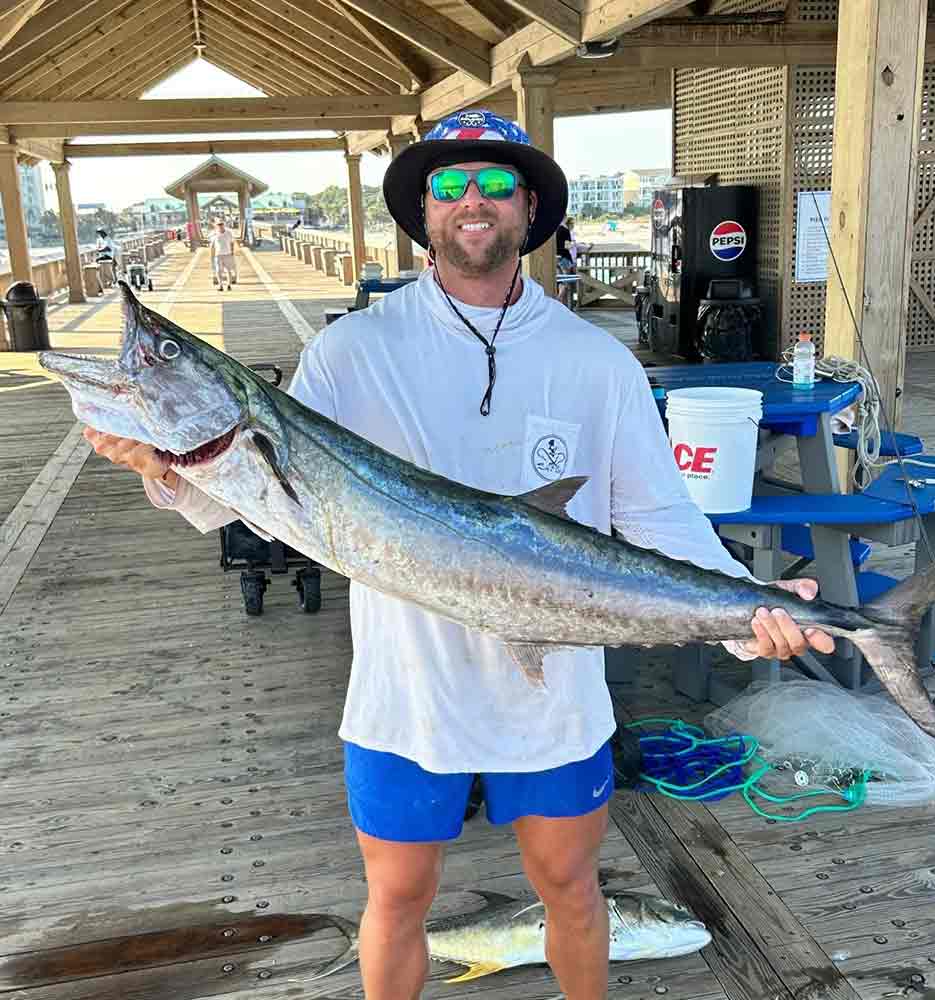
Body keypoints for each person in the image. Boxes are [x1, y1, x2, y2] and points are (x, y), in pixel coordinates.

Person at [82, 110, 834, 1000]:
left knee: (572, 890)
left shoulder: (595, 361)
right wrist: (159, 467)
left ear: (530, 209)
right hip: (407, 698)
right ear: (423, 213)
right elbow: (237, 501)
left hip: (554, 699)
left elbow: (659, 517)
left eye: (494, 183)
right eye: (447, 184)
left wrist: (750, 613)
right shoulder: (351, 349)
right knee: (397, 898)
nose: (470, 200)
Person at [208, 218, 237, 291]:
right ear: (216, 225)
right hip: (218, 255)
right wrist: (212, 255)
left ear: (224, 225)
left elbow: (232, 243)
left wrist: (232, 252)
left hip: (227, 254)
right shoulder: (214, 234)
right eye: (218, 224)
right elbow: (212, 245)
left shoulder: (229, 233)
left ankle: (229, 285)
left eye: (221, 224)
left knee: (228, 270)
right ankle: (220, 285)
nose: (220, 226)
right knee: (218, 271)